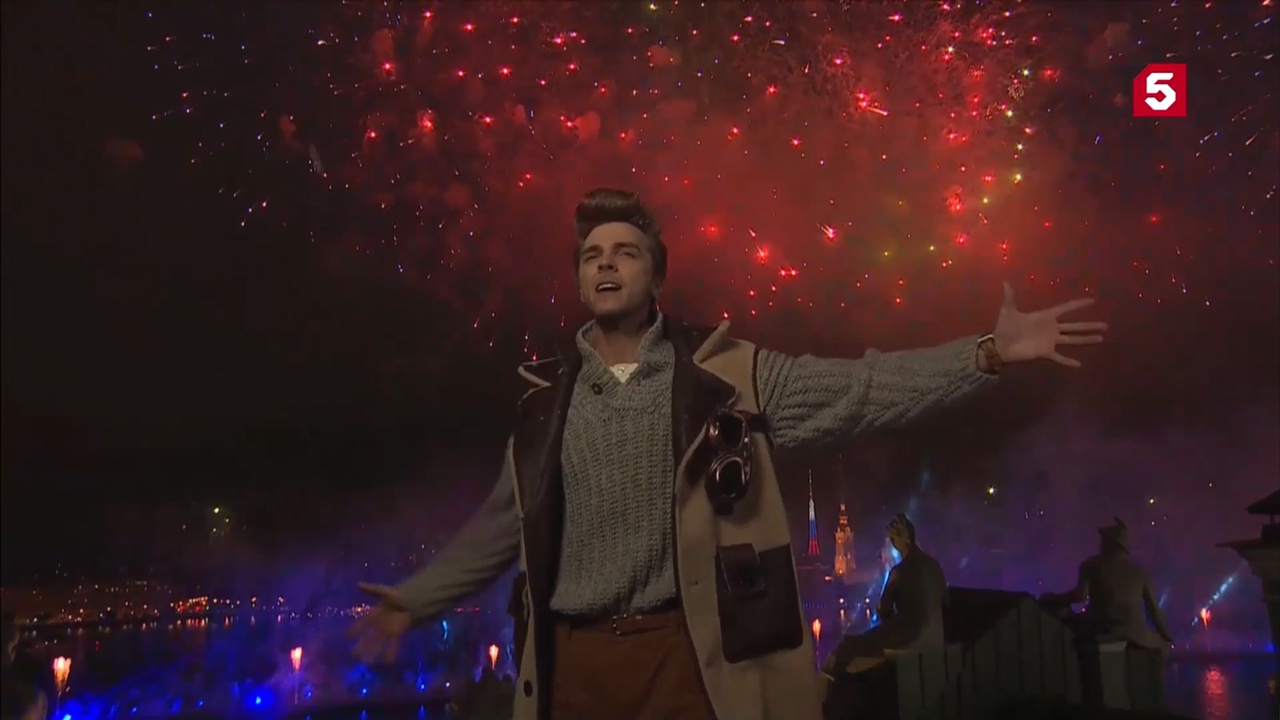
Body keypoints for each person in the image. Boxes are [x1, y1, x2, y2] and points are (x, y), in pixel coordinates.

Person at [349, 188, 1107, 720]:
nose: (606, 265)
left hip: (685, 661)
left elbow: (863, 388)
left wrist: (984, 354)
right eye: (591, 255)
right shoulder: (545, 402)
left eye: (625, 252)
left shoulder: (731, 377)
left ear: (656, 274)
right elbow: (498, 526)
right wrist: (415, 600)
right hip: (572, 666)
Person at [822, 514, 948, 676]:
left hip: (909, 636)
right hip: (935, 634)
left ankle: (830, 680)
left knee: (847, 645)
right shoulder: (934, 566)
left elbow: (884, 610)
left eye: (892, 540)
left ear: (900, 540)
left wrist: (890, 622)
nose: (892, 544)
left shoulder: (899, 571)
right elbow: (945, 600)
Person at [1040, 517, 1174, 650]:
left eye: (1103, 539)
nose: (1100, 543)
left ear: (1110, 542)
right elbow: (1154, 610)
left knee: (1062, 614)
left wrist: (1052, 598)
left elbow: (1080, 596)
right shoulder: (1140, 572)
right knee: (1161, 647)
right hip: (1134, 632)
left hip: (1102, 629)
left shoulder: (1091, 564)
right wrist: (1166, 635)